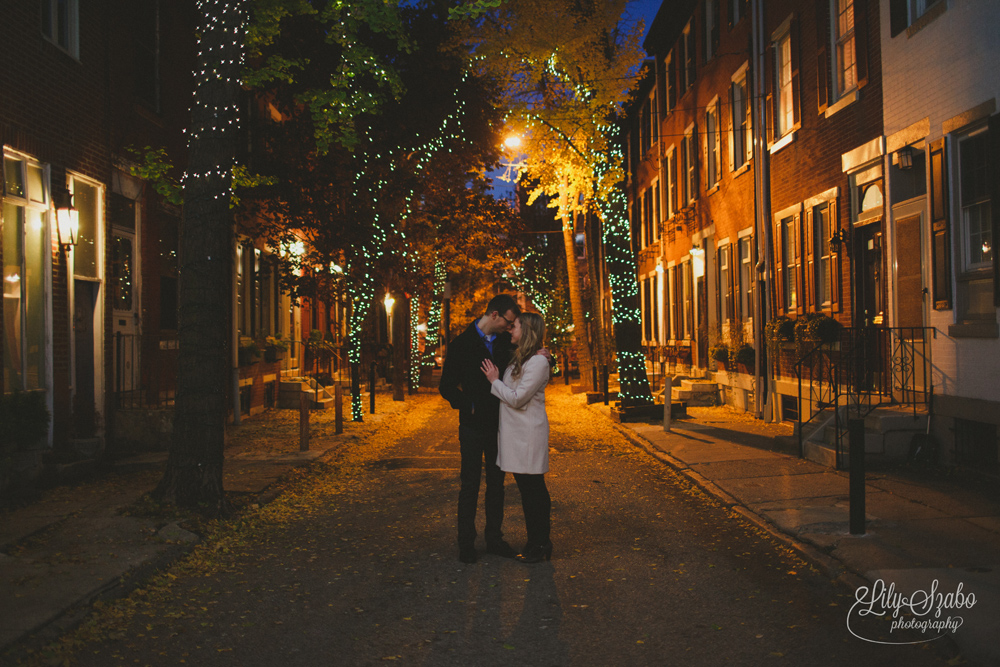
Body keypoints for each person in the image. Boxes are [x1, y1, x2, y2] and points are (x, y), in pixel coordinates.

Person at [439, 294, 521, 564]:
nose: (510, 328)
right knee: (470, 484)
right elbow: (446, 386)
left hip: (500, 425)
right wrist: (467, 405)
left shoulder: (506, 344)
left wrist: (546, 356)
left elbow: (527, 362)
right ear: (494, 315)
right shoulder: (462, 344)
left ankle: (494, 539)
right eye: (508, 323)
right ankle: (466, 543)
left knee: (497, 483)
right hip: (472, 426)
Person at [480, 312, 553, 563]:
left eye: (516, 326)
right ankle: (536, 542)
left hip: (528, 436)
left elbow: (517, 397)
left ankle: (541, 544)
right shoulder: (523, 358)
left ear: (528, 330)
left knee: (534, 492)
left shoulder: (538, 362)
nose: (511, 330)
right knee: (528, 491)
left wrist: (493, 381)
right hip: (517, 435)